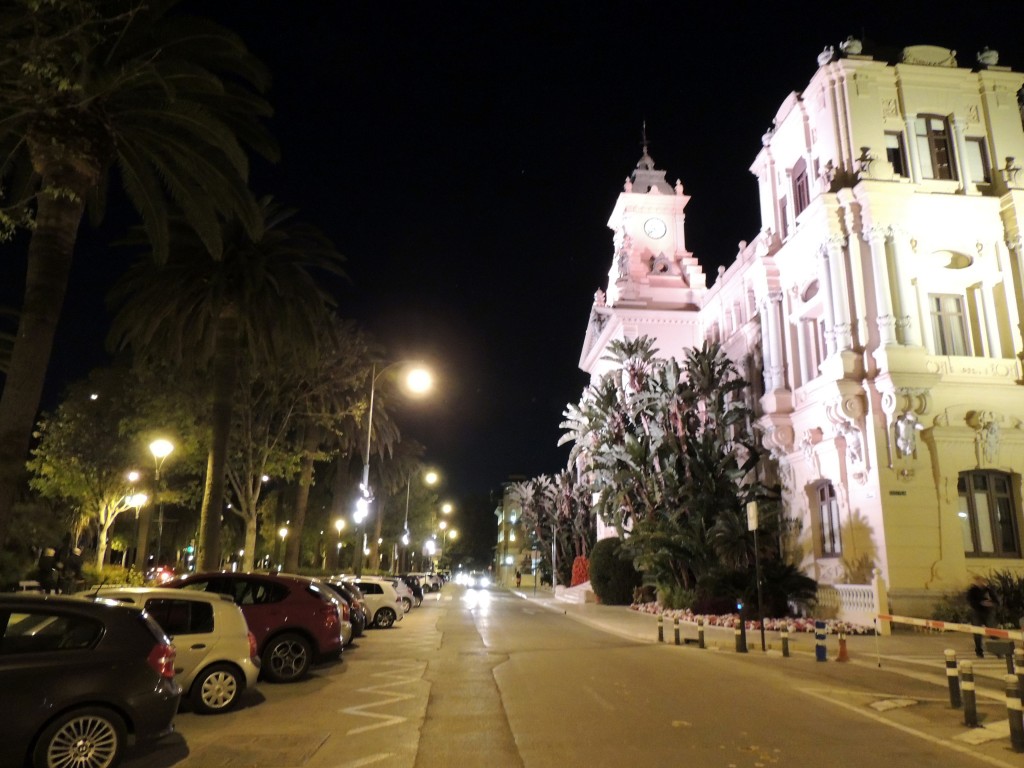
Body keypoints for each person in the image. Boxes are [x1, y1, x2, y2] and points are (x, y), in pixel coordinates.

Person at [966, 574, 998, 658]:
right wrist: (981, 603)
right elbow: (971, 601)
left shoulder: (988, 590)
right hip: (977, 613)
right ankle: (979, 651)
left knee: (993, 632)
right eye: (978, 581)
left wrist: (991, 604)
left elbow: (996, 601)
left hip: (988, 612)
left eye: (982, 581)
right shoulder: (972, 591)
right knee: (977, 633)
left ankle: (997, 650)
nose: (981, 583)